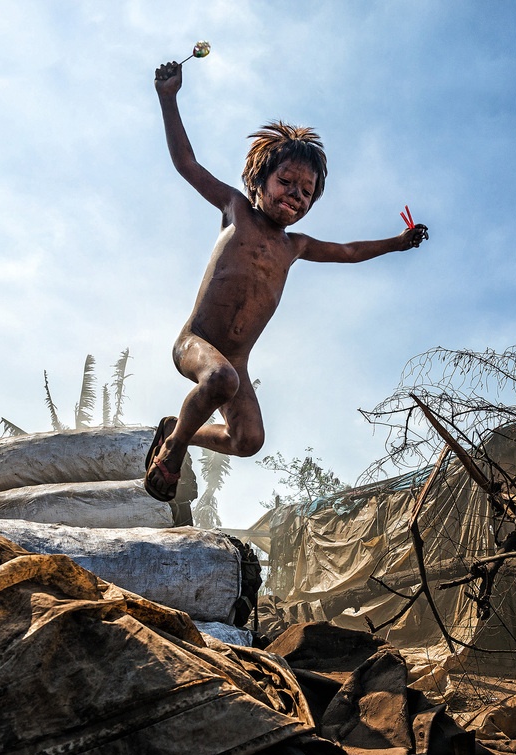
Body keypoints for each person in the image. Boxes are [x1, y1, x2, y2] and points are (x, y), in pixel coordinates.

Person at [144, 61, 429, 502]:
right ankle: (173, 449)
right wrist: (169, 97)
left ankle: (177, 428)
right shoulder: (236, 210)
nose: (295, 195)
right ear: (258, 181)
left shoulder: (295, 246)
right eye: (286, 182)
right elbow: (186, 163)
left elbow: (350, 252)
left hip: (234, 363)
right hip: (196, 342)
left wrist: (398, 242)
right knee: (219, 377)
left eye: (306, 191)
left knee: (248, 441)